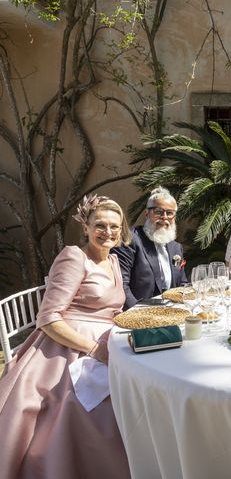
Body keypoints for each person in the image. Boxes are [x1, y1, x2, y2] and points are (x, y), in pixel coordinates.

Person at [0, 195, 132, 479]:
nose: (108, 232)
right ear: (85, 227)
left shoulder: (113, 260)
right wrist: (94, 349)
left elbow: (113, 308)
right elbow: (47, 318)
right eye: (100, 225)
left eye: (114, 227)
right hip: (68, 345)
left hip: (109, 341)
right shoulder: (74, 257)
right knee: (95, 405)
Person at [112, 187, 188, 309]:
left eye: (170, 213)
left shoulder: (176, 248)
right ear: (147, 213)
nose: (164, 217)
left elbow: (182, 284)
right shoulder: (130, 240)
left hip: (171, 312)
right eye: (158, 212)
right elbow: (121, 285)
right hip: (139, 311)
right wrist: (137, 313)